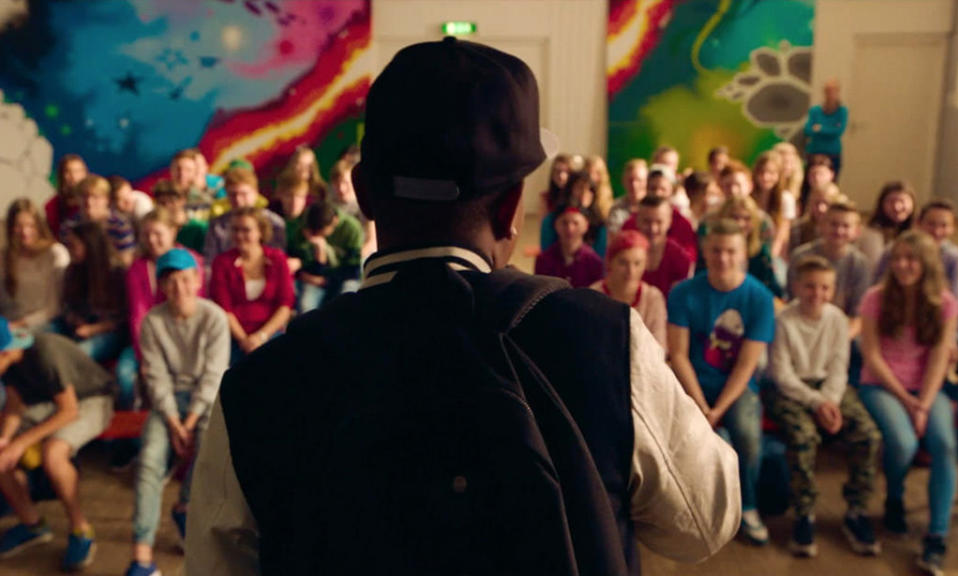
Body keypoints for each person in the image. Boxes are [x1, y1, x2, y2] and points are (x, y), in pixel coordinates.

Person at [187, 37, 740, 576]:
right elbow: (706, 520)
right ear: (511, 208)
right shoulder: (606, 339)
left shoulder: (258, 387)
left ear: (364, 193)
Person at [668, 217, 775, 546]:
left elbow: (746, 365)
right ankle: (696, 508)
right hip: (693, 382)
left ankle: (748, 504)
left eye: (730, 251)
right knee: (692, 439)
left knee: (747, 435)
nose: (723, 258)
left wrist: (717, 411)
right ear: (705, 250)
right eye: (716, 250)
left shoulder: (760, 298)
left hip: (737, 386)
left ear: (743, 253)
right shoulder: (683, 292)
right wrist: (701, 405)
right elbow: (679, 355)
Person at [857, 231, 958, 576]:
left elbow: (939, 357)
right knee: (903, 443)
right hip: (882, 386)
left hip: (926, 389)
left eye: (911, 259)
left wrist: (924, 404)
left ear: (927, 264)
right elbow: (872, 356)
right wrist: (906, 401)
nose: (902, 265)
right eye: (897, 258)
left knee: (944, 444)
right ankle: (895, 496)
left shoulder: (945, 303)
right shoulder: (875, 298)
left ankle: (936, 536)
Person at [766, 255, 881, 557]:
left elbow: (839, 367)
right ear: (796, 286)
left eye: (825, 287)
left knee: (868, 435)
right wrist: (818, 404)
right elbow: (782, 374)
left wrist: (830, 400)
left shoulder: (837, 320)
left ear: (833, 289)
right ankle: (804, 513)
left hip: (830, 389)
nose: (817, 293)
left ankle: (856, 510)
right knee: (804, 437)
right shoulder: (784, 320)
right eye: (810, 286)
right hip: (792, 390)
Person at [124, 249, 230, 576]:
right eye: (170, 281)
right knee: (150, 458)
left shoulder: (214, 318)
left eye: (185, 279)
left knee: (210, 449)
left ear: (197, 281)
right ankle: (142, 554)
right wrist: (174, 422)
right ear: (161, 286)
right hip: (168, 404)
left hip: (206, 401)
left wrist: (190, 421)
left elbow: (214, 376)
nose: (179, 288)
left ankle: (185, 505)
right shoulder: (153, 322)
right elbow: (155, 377)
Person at [0, 318, 114, 570]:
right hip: (50, 403)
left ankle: (81, 529)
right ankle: (32, 525)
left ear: (5, 352)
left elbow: (69, 411)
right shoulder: (8, 362)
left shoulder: (44, 352)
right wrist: (5, 439)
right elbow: (15, 405)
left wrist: (21, 443)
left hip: (91, 399)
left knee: (54, 453)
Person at [119, 209, 206, 409]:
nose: (152, 240)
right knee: (124, 374)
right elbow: (138, 315)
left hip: (186, 338)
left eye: (158, 234)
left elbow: (196, 306)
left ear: (172, 232)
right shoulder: (138, 269)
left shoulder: (192, 261)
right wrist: (145, 356)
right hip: (149, 340)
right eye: (146, 234)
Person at [210, 208, 294, 365]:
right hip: (234, 336)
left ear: (260, 232)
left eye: (246, 230)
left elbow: (285, 305)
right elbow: (224, 308)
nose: (239, 235)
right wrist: (244, 340)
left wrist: (261, 336)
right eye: (235, 230)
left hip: (270, 333)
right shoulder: (221, 263)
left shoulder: (278, 259)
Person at [788, 200, 871, 339]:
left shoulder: (860, 264)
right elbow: (792, 301)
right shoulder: (800, 256)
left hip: (841, 329)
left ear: (856, 231)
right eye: (833, 224)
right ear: (821, 225)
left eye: (845, 226)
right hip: (801, 324)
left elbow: (857, 316)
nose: (839, 231)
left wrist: (839, 340)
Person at [59, 221, 128, 362]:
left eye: (74, 245)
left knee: (78, 353)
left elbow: (120, 318)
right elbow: (66, 304)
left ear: (89, 245)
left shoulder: (115, 273)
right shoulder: (72, 271)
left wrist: (92, 329)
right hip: (80, 327)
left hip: (108, 332)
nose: (69, 250)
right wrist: (73, 318)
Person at [0, 199, 70, 332]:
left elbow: (55, 308)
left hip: (44, 324)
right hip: (9, 323)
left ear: (39, 226)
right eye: (18, 226)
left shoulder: (55, 253)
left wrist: (17, 326)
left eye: (30, 225)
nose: (24, 232)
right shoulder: (4, 257)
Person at [591, 230, 667, 349]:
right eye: (623, 263)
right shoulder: (594, 294)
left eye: (637, 263)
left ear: (645, 264)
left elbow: (659, 346)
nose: (631, 271)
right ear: (610, 262)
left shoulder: (653, 297)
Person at [874, 199, 958, 300]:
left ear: (952, 229)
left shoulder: (954, 258)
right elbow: (877, 289)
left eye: (944, 225)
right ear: (918, 223)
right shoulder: (893, 250)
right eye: (931, 224)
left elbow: (954, 299)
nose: (937, 231)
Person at [203, 167, 287, 265]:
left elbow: (278, 259)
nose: (238, 200)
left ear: (255, 193)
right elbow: (210, 261)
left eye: (243, 194)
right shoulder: (217, 226)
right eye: (233, 194)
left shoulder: (274, 223)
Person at [706, 196, 783, 299]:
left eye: (747, 219)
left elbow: (773, 291)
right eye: (735, 217)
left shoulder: (761, 254)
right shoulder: (711, 248)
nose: (740, 223)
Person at [293, 202, 365, 312]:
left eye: (322, 232)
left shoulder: (352, 228)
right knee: (306, 305)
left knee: (346, 301)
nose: (318, 235)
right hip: (316, 277)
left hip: (343, 276)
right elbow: (305, 263)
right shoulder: (308, 226)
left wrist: (327, 281)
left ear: (334, 221)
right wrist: (319, 248)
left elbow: (353, 270)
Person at [623, 168, 699, 262]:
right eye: (653, 188)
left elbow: (689, 258)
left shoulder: (683, 224)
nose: (657, 193)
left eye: (663, 189)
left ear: (671, 191)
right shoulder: (631, 222)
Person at [62, 174, 137, 267]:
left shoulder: (120, 225)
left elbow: (126, 261)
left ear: (106, 199)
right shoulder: (69, 226)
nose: (89, 202)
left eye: (95, 197)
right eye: (84, 197)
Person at [631, 195, 692, 297]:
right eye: (646, 221)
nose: (653, 228)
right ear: (637, 220)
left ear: (669, 222)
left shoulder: (679, 257)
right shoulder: (624, 254)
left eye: (659, 222)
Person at [540, 172, 608, 257]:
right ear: (569, 190)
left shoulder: (599, 224)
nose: (584, 193)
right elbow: (547, 253)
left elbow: (600, 257)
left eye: (590, 189)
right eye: (580, 187)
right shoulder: (551, 220)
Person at [535, 205, 605, 289]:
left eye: (576, 223)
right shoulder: (543, 260)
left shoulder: (594, 263)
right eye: (564, 223)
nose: (569, 229)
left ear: (586, 226)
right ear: (555, 225)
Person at [858, 180, 917, 267]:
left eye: (902, 201)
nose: (897, 207)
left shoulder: (918, 231)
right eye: (891, 201)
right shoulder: (871, 233)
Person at [328, 158, 377, 260]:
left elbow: (372, 241)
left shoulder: (364, 203)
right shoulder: (329, 207)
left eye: (345, 183)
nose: (341, 188)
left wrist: (355, 258)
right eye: (337, 184)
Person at [752, 151, 795, 258]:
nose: (765, 177)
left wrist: (771, 257)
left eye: (771, 173)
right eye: (762, 172)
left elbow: (782, 235)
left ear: (779, 175)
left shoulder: (786, 199)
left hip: (774, 252)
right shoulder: (749, 198)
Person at [804, 79, 848, 178]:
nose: (830, 94)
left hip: (833, 154)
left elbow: (838, 132)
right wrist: (830, 129)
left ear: (838, 92)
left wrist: (820, 129)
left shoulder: (842, 111)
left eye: (833, 91)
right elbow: (808, 130)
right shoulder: (815, 110)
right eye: (828, 91)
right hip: (815, 153)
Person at [153, 180, 209, 254]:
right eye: (162, 203)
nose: (167, 206)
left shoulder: (199, 229)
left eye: (172, 201)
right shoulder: (153, 232)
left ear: (183, 201)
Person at [789, 182, 840, 252]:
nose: (821, 208)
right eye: (817, 203)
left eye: (826, 203)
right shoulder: (798, 229)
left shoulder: (841, 232)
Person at [45, 154, 87, 238]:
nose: (73, 176)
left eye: (77, 171)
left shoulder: (91, 202)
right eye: (68, 172)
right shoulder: (52, 205)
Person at [606, 159, 647, 235]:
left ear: (646, 181)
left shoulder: (652, 207)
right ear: (624, 181)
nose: (634, 185)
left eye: (638, 180)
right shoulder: (616, 207)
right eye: (630, 180)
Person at [584, 155, 614, 221]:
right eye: (589, 172)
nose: (592, 177)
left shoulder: (605, 196)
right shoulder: (579, 192)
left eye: (596, 173)